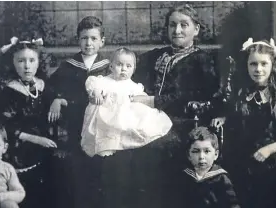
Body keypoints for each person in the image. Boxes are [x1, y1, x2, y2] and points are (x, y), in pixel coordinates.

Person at [132, 4, 222, 206]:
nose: (177, 30)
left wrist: (154, 101)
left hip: (182, 122)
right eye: (172, 25)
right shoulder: (156, 55)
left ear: (196, 29)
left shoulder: (202, 60)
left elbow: (201, 95)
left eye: (184, 25)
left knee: (155, 148)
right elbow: (129, 73)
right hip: (147, 118)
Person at [212, 38, 276, 208]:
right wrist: (225, 118)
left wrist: (269, 149)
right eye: (253, 64)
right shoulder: (242, 92)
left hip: (274, 157)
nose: (258, 69)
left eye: (263, 64)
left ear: (272, 65)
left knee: (266, 192)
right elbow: (236, 116)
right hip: (245, 155)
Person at [46, 16, 110, 208]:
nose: (88, 43)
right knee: (78, 170)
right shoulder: (68, 66)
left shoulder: (108, 66)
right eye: (84, 38)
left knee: (100, 171)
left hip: (102, 124)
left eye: (93, 38)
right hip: (75, 124)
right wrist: (57, 99)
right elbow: (53, 88)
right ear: (78, 39)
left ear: (102, 41)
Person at [0, 36, 63, 207]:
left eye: (32, 60)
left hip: (42, 145)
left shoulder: (41, 85)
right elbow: (5, 125)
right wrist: (36, 139)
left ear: (38, 62)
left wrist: (58, 101)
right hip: (19, 147)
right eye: (21, 61)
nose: (27, 66)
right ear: (13, 63)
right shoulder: (9, 90)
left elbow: (54, 97)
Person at [81, 47, 172, 157]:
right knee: (104, 129)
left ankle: (124, 145)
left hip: (124, 116)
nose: (123, 69)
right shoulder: (104, 81)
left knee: (141, 119)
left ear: (133, 70)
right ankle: (106, 147)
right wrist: (97, 93)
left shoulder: (133, 86)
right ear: (111, 67)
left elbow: (140, 98)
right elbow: (93, 86)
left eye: (128, 66)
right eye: (119, 65)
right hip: (105, 115)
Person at [168, 126, 240, 208]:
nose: (201, 156)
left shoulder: (221, 178)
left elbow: (232, 204)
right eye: (196, 151)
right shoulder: (184, 176)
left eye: (207, 151)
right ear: (188, 155)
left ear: (216, 154)